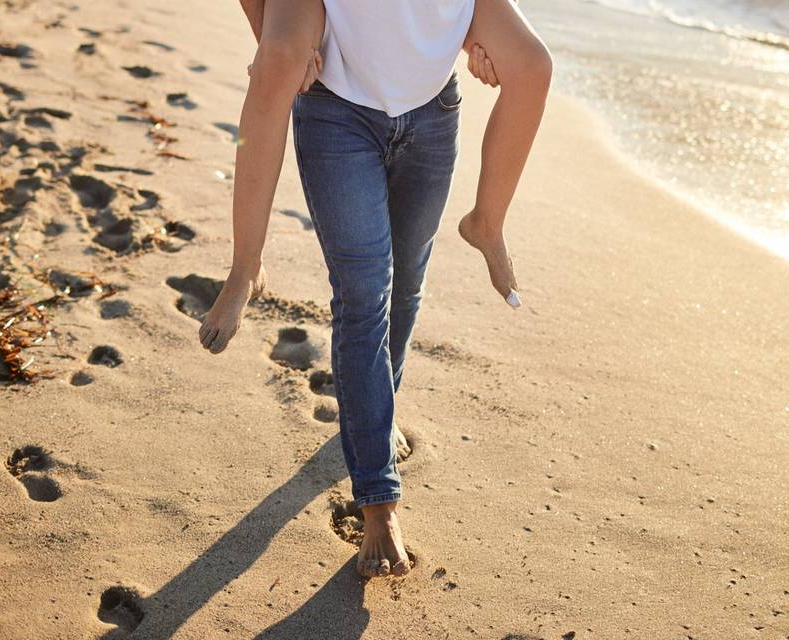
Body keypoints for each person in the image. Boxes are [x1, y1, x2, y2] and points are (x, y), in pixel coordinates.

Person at [200, 0, 551, 579]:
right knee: (364, 298)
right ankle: (378, 500)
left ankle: (486, 222)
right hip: (337, 111)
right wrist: (267, 31)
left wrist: (471, 39)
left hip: (431, 111)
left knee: (407, 285)